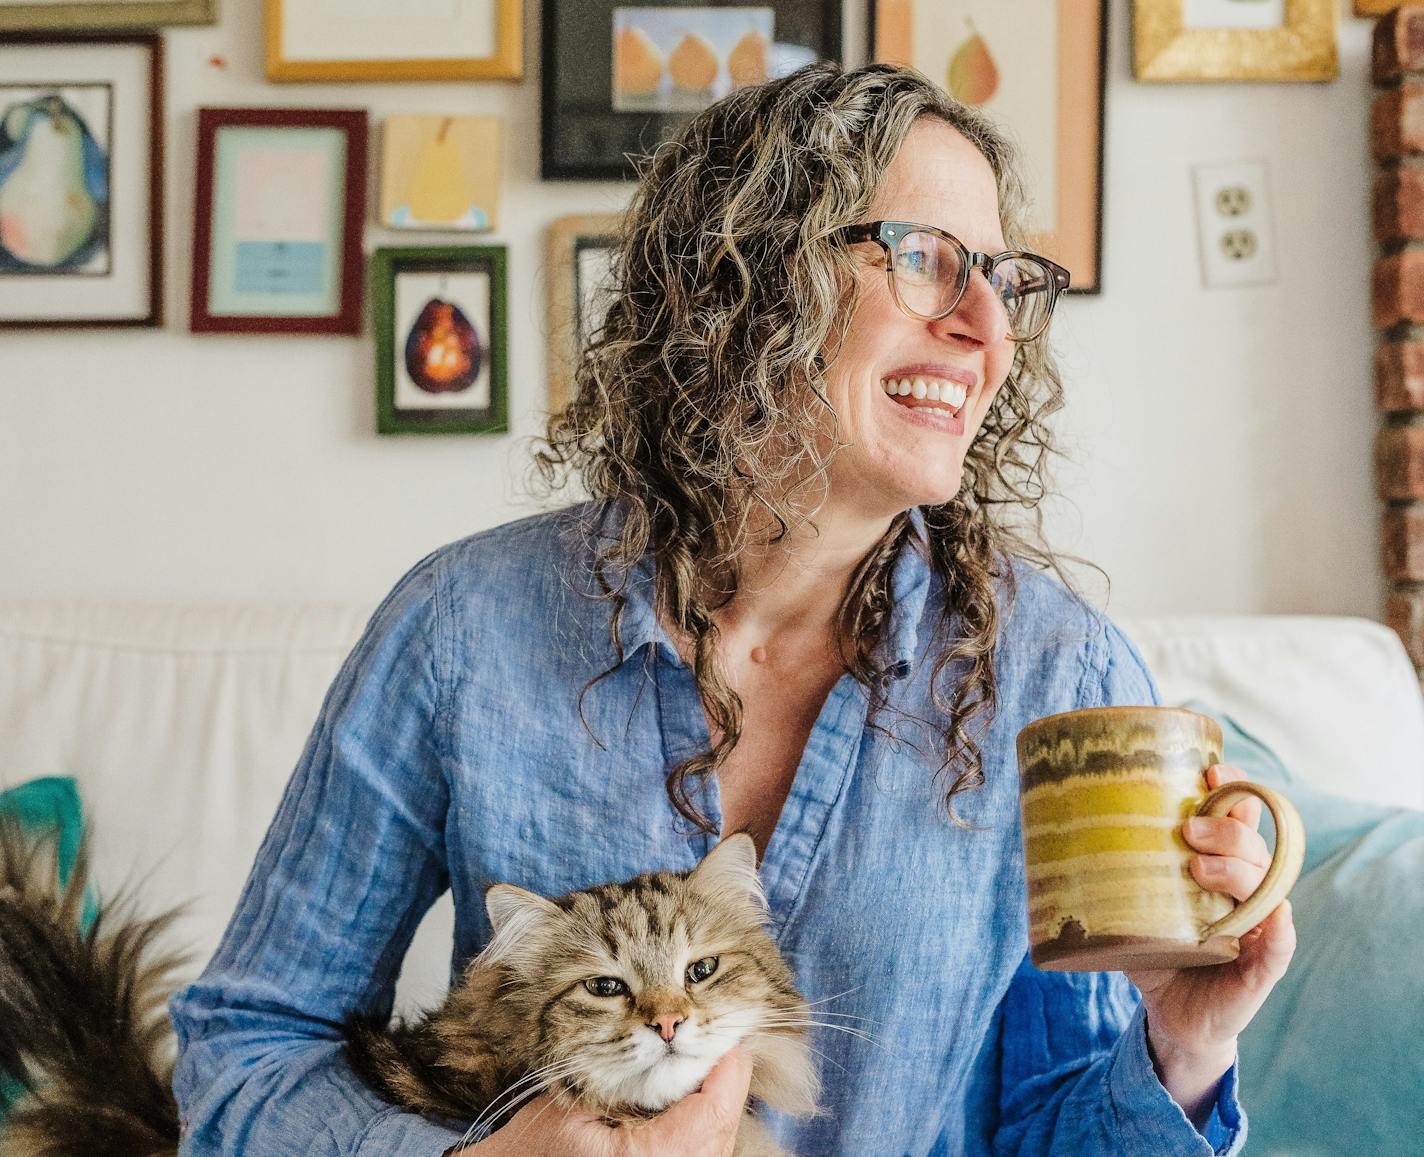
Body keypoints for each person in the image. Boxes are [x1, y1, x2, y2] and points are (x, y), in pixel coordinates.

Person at [169, 61, 1293, 1155]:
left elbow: (1049, 1127)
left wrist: (1181, 1047)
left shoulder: (1061, 676)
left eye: (1001, 279)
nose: (985, 331)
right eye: (924, 258)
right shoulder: (461, 628)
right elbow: (248, 1053)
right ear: (737, 281)